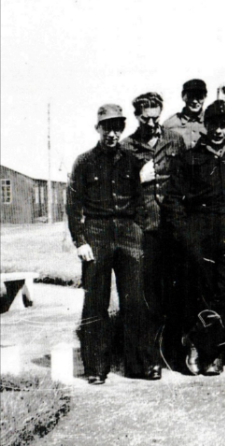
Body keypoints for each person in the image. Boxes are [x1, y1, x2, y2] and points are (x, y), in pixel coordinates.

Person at [66, 104, 159, 384]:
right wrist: (80, 241)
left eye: (118, 127)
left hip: (128, 232)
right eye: (107, 127)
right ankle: (96, 367)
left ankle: (139, 364)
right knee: (95, 301)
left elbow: (142, 201)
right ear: (97, 128)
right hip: (97, 231)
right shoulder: (84, 162)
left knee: (135, 301)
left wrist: (139, 232)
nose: (112, 133)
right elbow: (73, 205)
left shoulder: (132, 161)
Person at [164, 100, 225, 376]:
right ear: (206, 125)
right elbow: (173, 202)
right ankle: (208, 353)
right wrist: (186, 237)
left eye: (224, 125)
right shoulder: (190, 158)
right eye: (214, 124)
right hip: (200, 231)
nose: (219, 131)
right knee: (202, 294)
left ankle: (203, 343)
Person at [120, 92, 186, 369]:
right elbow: (118, 192)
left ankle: (174, 353)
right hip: (142, 228)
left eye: (156, 116)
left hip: (171, 227)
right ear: (136, 116)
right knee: (146, 296)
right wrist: (137, 179)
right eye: (145, 117)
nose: (152, 122)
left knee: (175, 292)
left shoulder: (175, 141)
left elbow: (184, 180)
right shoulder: (126, 147)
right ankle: (148, 357)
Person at [163, 79, 208, 149]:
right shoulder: (169, 124)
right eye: (190, 96)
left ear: (205, 97)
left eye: (199, 97)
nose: (195, 101)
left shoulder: (212, 123)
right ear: (183, 97)